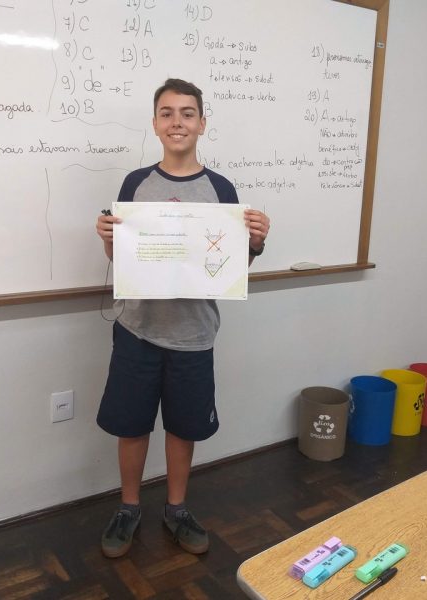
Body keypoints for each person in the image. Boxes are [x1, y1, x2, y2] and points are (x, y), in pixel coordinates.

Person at [95, 78, 270, 558]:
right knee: (132, 425)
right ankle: (129, 507)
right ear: (155, 124)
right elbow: (122, 259)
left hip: (193, 335)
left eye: (187, 113)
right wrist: (108, 239)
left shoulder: (221, 189)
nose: (178, 122)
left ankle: (176, 509)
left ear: (202, 123)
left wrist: (255, 243)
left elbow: (232, 266)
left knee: (184, 427)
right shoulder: (135, 184)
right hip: (137, 330)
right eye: (167, 113)